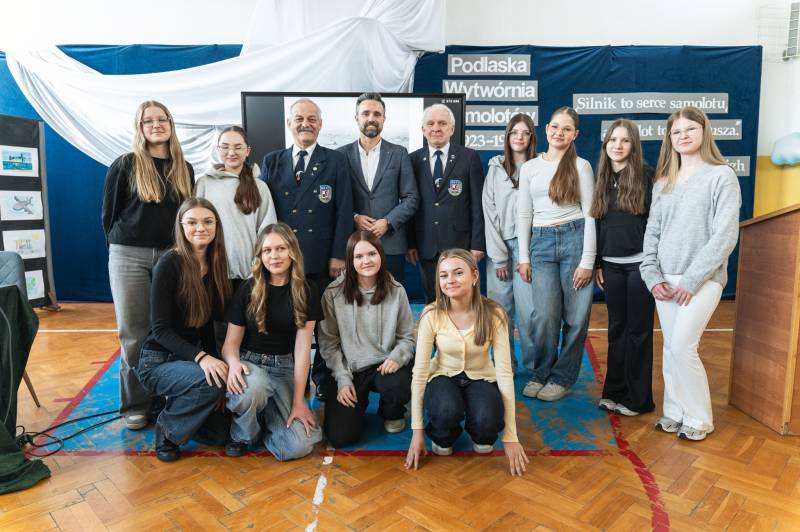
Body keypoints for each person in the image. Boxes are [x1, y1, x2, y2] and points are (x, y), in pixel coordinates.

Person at [640, 106, 741, 441]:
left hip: (703, 279)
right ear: (670, 138)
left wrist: (693, 279)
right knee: (671, 347)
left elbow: (725, 235)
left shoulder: (721, 176)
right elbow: (652, 233)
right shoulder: (663, 183)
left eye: (690, 129)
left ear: (704, 131)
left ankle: (699, 418)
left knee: (684, 346)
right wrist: (652, 276)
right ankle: (675, 412)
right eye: (676, 132)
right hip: (665, 279)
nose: (683, 136)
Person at [102, 100, 194, 430]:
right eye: (148, 121)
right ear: (139, 128)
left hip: (172, 256)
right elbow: (109, 214)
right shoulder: (125, 164)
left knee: (169, 329)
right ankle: (136, 404)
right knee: (134, 333)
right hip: (129, 255)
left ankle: (166, 395)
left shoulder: (185, 169)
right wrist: (118, 250)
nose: (156, 125)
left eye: (162, 119)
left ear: (171, 124)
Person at [404, 249, 528, 477]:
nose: (450, 280)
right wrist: (417, 432)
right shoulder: (431, 314)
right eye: (443, 275)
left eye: (458, 273)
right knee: (445, 410)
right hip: (442, 376)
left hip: (481, 376)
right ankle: (444, 434)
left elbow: (504, 373)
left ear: (474, 276)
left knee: (486, 422)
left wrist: (510, 436)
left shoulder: (495, 314)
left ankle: (479, 431)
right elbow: (420, 373)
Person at [261, 98, 354, 396]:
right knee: (286, 321)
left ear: (321, 124)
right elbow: (266, 213)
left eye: (312, 119)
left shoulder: (336, 160)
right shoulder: (272, 161)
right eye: (299, 118)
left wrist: (339, 254)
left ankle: (323, 381)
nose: (306, 124)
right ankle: (289, 382)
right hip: (283, 260)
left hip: (322, 258)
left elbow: (344, 210)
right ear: (289, 124)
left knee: (325, 323)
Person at [134, 198, 231, 462]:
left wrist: (216, 367)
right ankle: (165, 432)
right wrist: (203, 359)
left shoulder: (215, 263)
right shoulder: (169, 263)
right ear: (181, 226)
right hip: (157, 361)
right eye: (192, 222)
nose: (201, 228)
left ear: (216, 226)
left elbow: (207, 326)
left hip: (188, 360)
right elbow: (160, 330)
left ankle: (174, 407)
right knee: (208, 381)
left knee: (220, 434)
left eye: (208, 221)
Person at [223, 223, 323, 460]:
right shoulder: (248, 288)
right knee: (255, 387)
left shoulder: (307, 289)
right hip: (250, 365)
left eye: (280, 248)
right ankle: (242, 435)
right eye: (267, 250)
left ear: (292, 251)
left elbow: (302, 350)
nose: (274, 256)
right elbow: (230, 343)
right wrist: (234, 364)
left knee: (297, 446)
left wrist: (298, 402)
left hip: (284, 368)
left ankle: (264, 417)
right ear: (260, 256)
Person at [517, 106, 595, 402]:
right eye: (554, 126)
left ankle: (562, 378)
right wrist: (523, 257)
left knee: (576, 317)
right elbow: (524, 214)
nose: (559, 132)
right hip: (541, 242)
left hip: (575, 238)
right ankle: (542, 373)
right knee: (545, 316)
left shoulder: (581, 166)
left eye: (566, 128)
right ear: (546, 129)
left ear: (575, 134)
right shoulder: (530, 168)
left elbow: (590, 214)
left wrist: (587, 261)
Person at [319, 231, 415, 448]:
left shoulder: (396, 290)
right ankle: (356, 407)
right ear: (350, 260)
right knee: (340, 437)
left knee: (399, 384)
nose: (366, 261)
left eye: (372, 254)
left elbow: (407, 337)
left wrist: (397, 357)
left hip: (385, 365)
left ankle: (391, 410)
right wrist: (343, 380)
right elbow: (329, 344)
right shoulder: (333, 294)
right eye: (359, 256)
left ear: (381, 254)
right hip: (351, 368)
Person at [591, 119, 656, 417]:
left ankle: (638, 399)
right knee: (617, 329)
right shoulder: (601, 177)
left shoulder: (647, 176)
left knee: (638, 331)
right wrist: (598, 263)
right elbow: (597, 224)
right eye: (613, 140)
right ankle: (614, 391)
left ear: (633, 145)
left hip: (640, 265)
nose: (618, 145)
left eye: (625, 140)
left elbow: (655, 223)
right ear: (606, 144)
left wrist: (653, 262)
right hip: (611, 266)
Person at [407, 104, 485, 303]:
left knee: (462, 299)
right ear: (423, 129)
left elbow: (478, 205)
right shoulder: (412, 160)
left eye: (442, 123)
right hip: (426, 245)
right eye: (430, 124)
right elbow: (409, 205)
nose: (436, 128)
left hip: (460, 244)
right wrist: (410, 243)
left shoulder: (469, 157)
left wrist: (477, 244)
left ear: (452, 128)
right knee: (433, 299)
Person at [339, 92, 419, 284]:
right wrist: (354, 217)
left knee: (392, 297)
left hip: (391, 244)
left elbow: (411, 198)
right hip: (354, 245)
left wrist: (388, 222)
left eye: (377, 114)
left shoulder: (399, 153)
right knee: (356, 298)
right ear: (356, 118)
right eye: (365, 113)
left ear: (384, 119)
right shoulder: (340, 155)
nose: (371, 118)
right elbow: (335, 200)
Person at [482, 113, 538, 374]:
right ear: (507, 136)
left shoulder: (540, 167)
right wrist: (499, 257)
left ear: (531, 137)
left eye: (525, 133)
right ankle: (506, 364)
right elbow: (489, 212)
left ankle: (534, 367)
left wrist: (528, 253)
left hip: (530, 249)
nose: (519, 137)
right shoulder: (495, 168)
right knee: (500, 312)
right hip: (501, 247)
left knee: (530, 312)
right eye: (514, 132)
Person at [196, 126, 276, 296]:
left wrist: (257, 267)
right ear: (218, 149)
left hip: (248, 274)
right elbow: (194, 227)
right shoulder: (204, 183)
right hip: (211, 272)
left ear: (247, 151)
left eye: (238, 147)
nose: (231, 152)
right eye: (225, 147)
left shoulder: (260, 187)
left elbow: (268, 230)